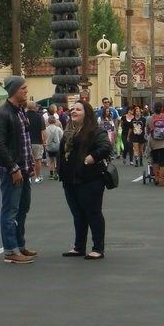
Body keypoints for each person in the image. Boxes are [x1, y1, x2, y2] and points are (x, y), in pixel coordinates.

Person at [0, 76, 38, 264]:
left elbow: (25, 142)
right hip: (12, 170)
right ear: (14, 91)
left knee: (22, 209)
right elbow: (0, 145)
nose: (26, 91)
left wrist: (30, 164)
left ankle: (19, 245)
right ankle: (11, 250)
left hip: (24, 168)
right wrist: (13, 167)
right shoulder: (3, 114)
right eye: (23, 88)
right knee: (10, 210)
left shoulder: (20, 112)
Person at [58, 100, 113, 260]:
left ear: (86, 113)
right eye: (72, 109)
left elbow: (106, 147)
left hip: (90, 179)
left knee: (93, 213)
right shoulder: (68, 130)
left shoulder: (95, 131)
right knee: (77, 214)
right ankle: (79, 246)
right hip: (70, 179)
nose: (73, 112)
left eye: (78, 110)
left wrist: (91, 157)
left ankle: (97, 248)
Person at [146, 102, 164, 186]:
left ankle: (156, 178)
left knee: (155, 161)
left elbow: (147, 131)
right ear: (162, 108)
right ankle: (162, 179)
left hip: (153, 143)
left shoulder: (149, 119)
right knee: (163, 162)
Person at [25, 100, 47, 183]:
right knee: (38, 160)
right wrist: (44, 141)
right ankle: (37, 177)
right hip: (37, 141)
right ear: (35, 107)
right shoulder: (39, 117)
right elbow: (43, 131)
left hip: (26, 142)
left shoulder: (24, 115)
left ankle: (28, 177)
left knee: (27, 160)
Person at [45, 115, 64, 180]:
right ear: (55, 121)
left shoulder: (46, 129)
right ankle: (56, 173)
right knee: (57, 160)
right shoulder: (58, 128)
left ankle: (51, 174)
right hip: (57, 146)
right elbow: (62, 136)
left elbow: (44, 137)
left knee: (51, 160)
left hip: (49, 147)